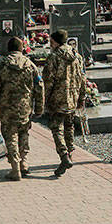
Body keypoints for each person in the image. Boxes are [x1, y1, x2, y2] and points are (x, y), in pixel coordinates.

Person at [0, 37, 44, 181]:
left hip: (7, 108)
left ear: (8, 49)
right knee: (24, 134)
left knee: (10, 137)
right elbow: (39, 86)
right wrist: (39, 108)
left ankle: (15, 168)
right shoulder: (30, 65)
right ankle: (24, 162)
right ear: (21, 48)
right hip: (25, 107)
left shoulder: (1, 66)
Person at [43, 30, 87, 177]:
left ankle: (64, 156)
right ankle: (70, 152)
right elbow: (82, 79)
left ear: (55, 41)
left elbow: (48, 81)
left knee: (56, 127)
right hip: (72, 98)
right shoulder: (77, 56)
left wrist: (44, 100)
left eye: (51, 41)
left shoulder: (53, 57)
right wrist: (82, 98)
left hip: (57, 98)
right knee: (69, 126)